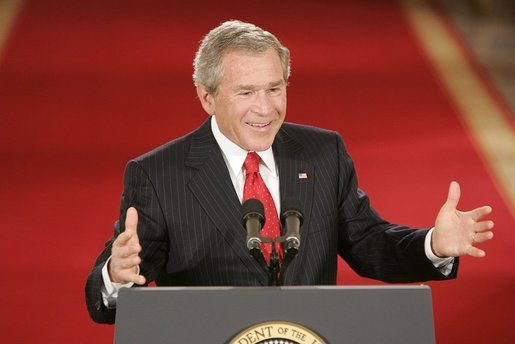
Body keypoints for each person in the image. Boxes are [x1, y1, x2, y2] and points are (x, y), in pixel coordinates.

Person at [85, 20, 494, 324]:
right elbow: (115, 285)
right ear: (207, 97)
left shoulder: (322, 152)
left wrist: (434, 245)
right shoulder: (158, 174)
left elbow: (368, 243)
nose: (266, 109)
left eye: (275, 88)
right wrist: (117, 277)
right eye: (246, 93)